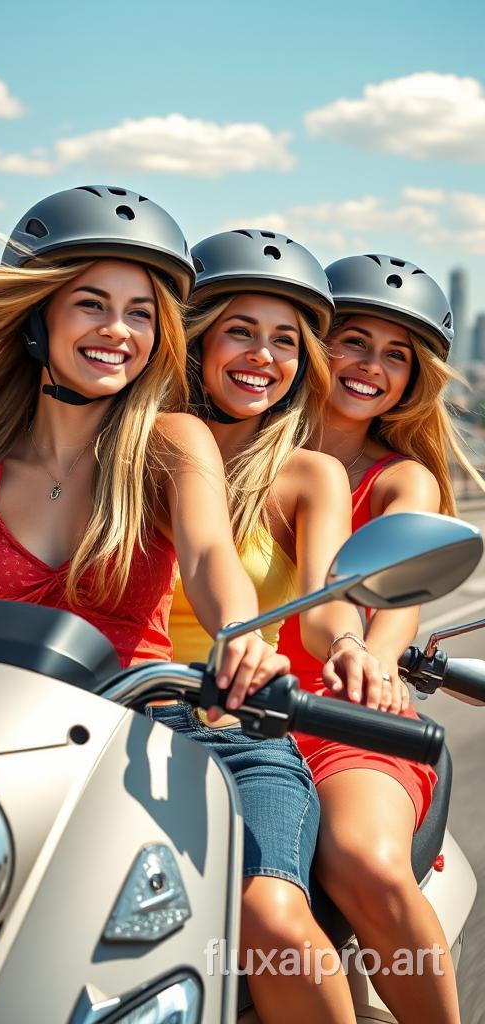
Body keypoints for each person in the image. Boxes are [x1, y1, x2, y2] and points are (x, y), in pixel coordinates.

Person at [0, 185, 288, 697]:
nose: (117, 330)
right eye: (92, 304)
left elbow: (207, 557)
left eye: (139, 313)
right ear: (37, 318)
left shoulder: (169, 443)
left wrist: (239, 635)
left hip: (132, 725)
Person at [164, 229, 387, 1023]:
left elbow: (324, 601)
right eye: (241, 331)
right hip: (117, 720)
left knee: (272, 920)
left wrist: (352, 642)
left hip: (243, 723)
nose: (264, 356)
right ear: (196, 338)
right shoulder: (135, 444)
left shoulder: (307, 472)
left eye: (286, 341)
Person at [278, 253, 485, 1023]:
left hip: (347, 708)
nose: (372, 367)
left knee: (362, 860)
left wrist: (369, 651)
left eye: (396, 354)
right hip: (229, 704)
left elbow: (391, 608)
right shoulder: (233, 454)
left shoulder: (404, 481)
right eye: (353, 341)